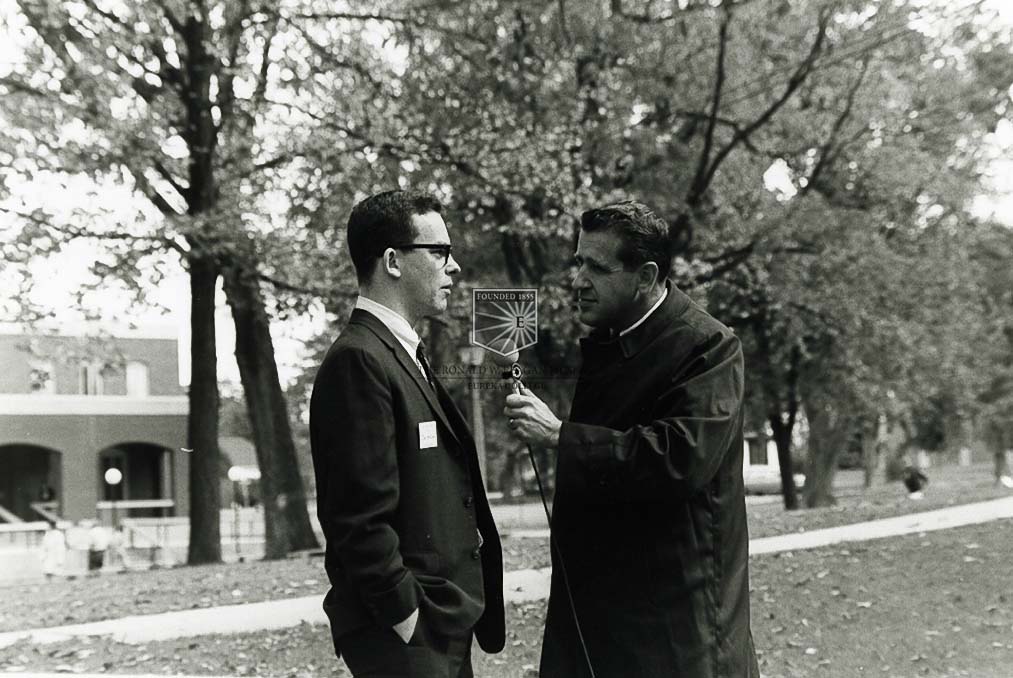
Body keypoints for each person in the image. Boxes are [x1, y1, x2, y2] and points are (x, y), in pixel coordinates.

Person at [504, 200, 760, 677]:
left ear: (645, 277)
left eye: (597, 268)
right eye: (578, 262)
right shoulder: (609, 339)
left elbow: (680, 460)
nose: (578, 281)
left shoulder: (707, 347)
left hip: (674, 634)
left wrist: (560, 436)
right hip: (603, 624)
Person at [309, 189, 504, 677]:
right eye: (439, 252)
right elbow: (358, 519)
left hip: (437, 628)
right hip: (406, 637)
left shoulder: (398, 353)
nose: (453, 266)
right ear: (393, 261)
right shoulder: (359, 360)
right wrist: (407, 619)